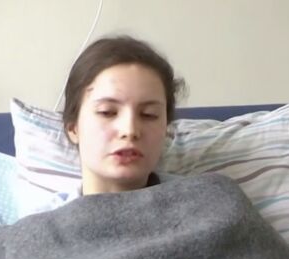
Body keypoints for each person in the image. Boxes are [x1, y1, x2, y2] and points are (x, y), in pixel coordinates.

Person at [39, 35, 185, 212]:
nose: (130, 130)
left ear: (166, 128)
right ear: (73, 128)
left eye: (149, 115)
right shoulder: (42, 224)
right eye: (107, 112)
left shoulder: (203, 203)